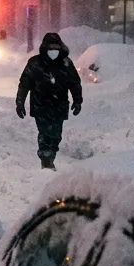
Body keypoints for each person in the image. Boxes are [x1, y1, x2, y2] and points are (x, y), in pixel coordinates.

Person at [15, 32, 82, 170]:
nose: (53, 51)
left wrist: (77, 101)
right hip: (41, 106)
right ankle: (46, 159)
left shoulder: (66, 64)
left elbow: (74, 83)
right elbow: (25, 83)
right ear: (44, 48)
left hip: (59, 106)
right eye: (50, 48)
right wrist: (20, 102)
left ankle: (50, 156)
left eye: (56, 48)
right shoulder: (35, 63)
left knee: (56, 135)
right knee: (45, 133)